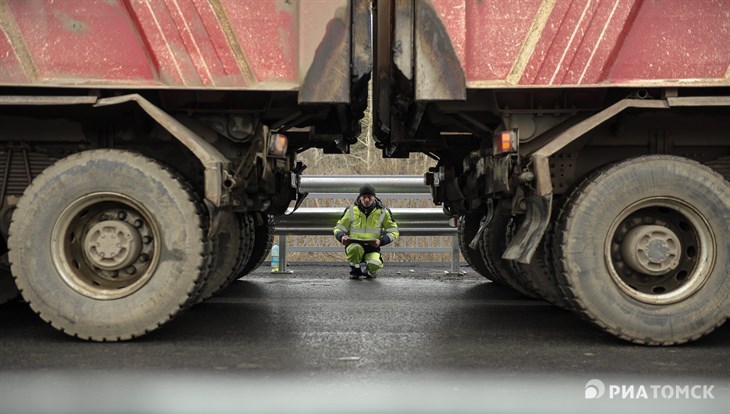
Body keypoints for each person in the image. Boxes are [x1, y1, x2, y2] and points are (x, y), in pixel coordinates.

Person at [333, 184, 399, 279]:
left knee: (374, 264)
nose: (367, 200)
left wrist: (381, 242)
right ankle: (355, 270)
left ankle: (370, 271)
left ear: (374, 197)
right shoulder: (351, 210)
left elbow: (394, 231)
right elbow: (338, 228)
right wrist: (341, 237)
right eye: (364, 197)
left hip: (372, 247)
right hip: (354, 245)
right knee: (355, 249)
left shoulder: (383, 211)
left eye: (370, 197)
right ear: (360, 198)